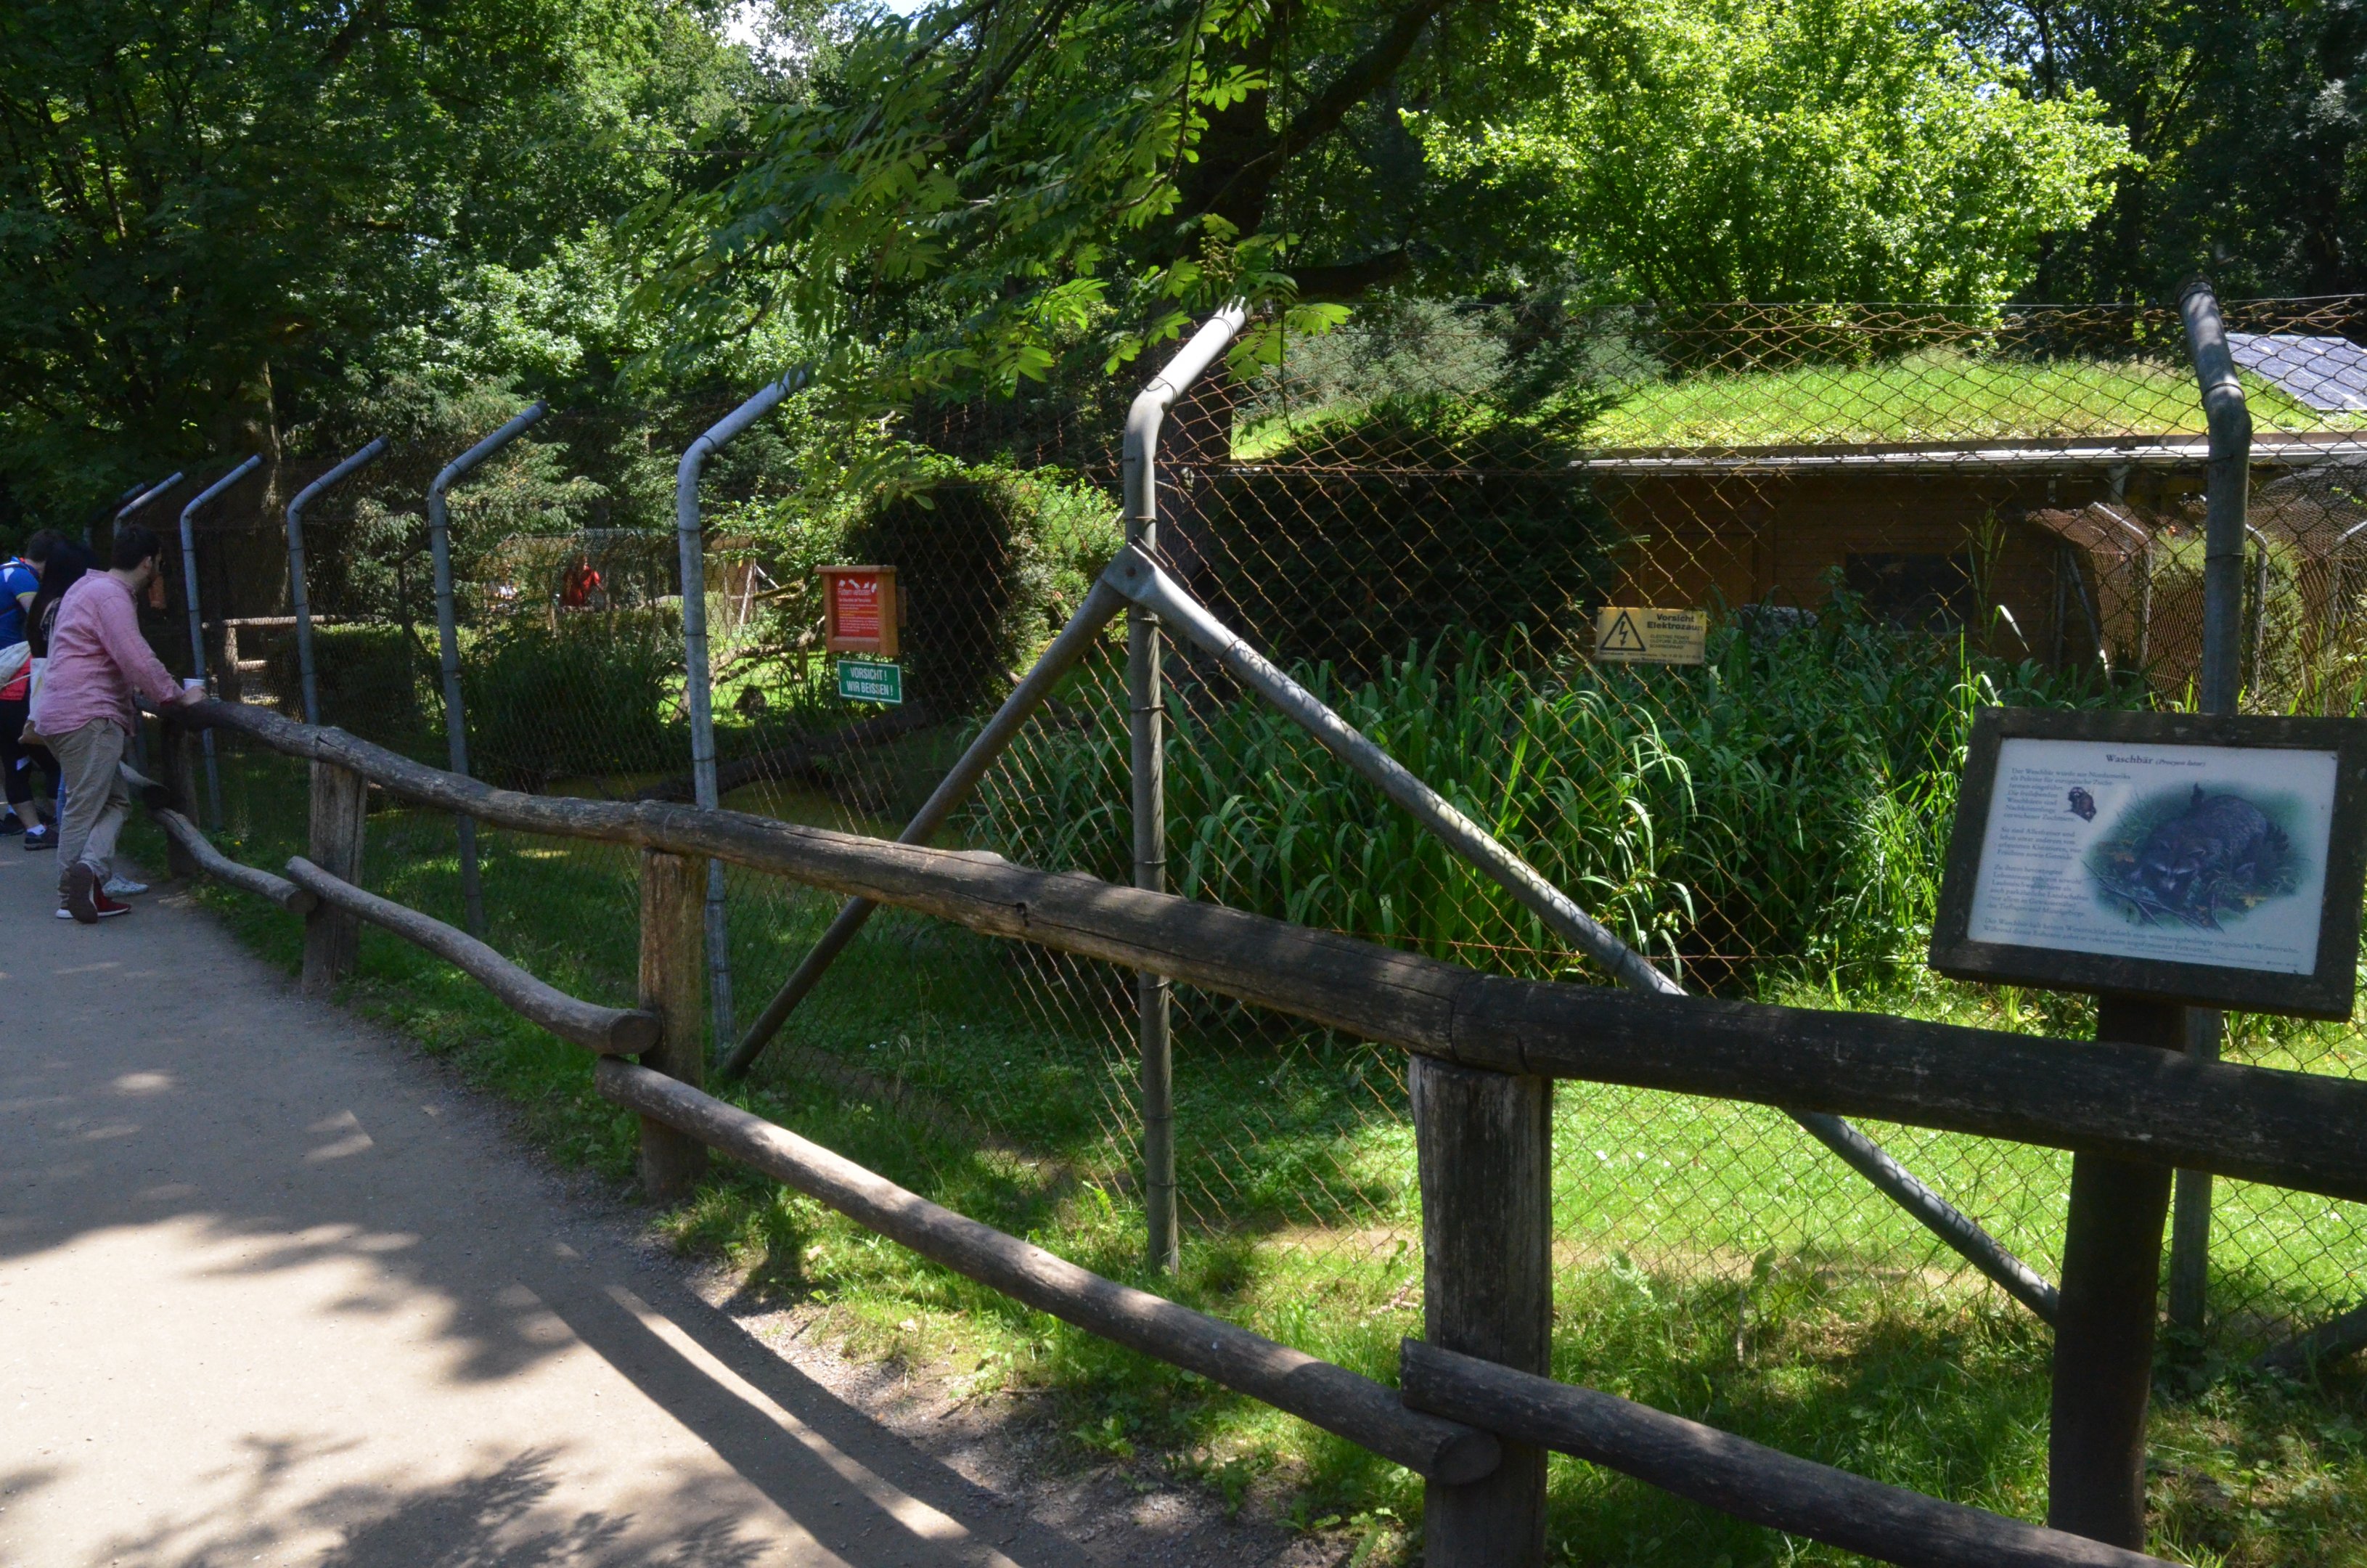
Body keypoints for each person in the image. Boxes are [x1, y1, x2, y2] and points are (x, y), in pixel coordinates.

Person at [31, 523, 203, 923]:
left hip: (62, 711)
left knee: (114, 799)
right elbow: (136, 657)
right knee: (85, 804)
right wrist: (176, 695)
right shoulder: (111, 598)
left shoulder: (84, 588)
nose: (159, 570)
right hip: (88, 715)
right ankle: (70, 891)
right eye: (159, 563)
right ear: (148, 563)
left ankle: (88, 875)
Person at [16, 536, 90, 852]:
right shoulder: (62, 607)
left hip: (42, 696)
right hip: (69, 699)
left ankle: (68, 857)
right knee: (73, 785)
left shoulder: (40, 606)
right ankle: (83, 866)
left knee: (61, 779)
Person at [1, 531, 69, 846]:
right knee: (50, 756)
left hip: (3, 686)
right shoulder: (23, 578)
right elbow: (41, 623)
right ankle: (61, 829)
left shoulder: (4, 572)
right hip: (19, 680)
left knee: (14, 757)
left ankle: (31, 828)